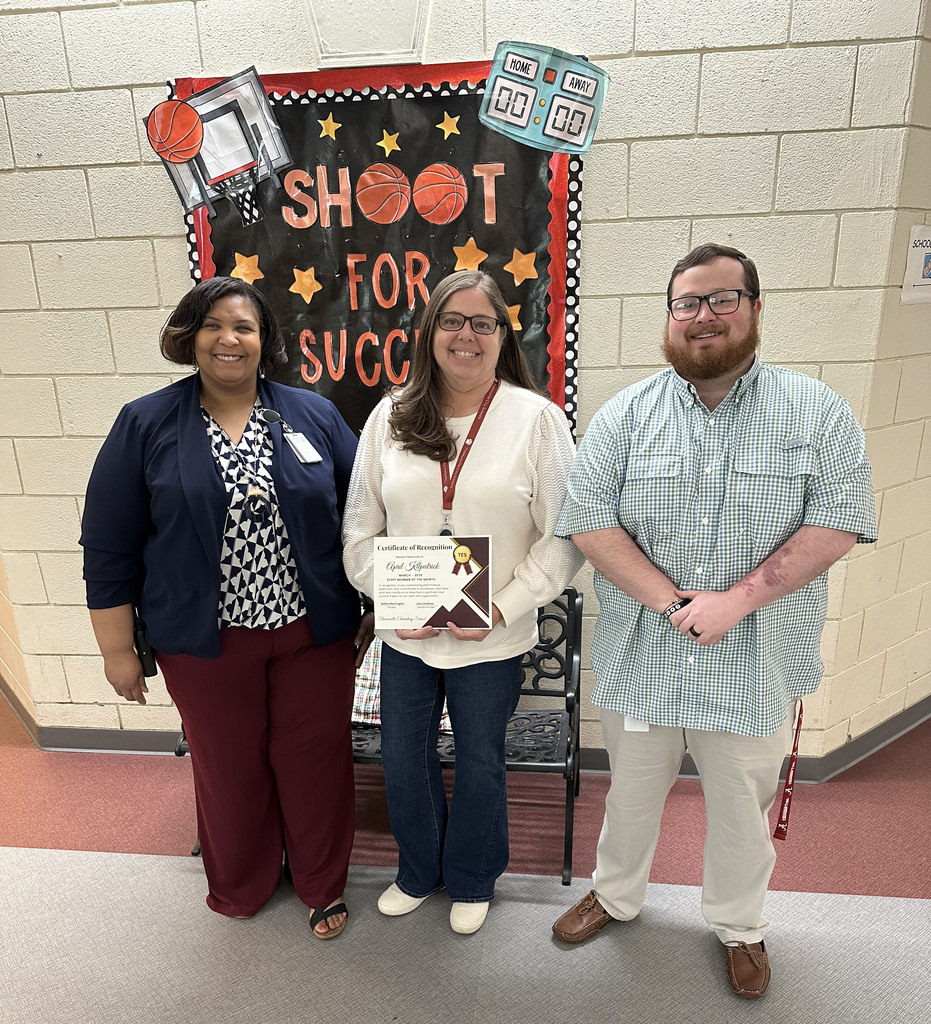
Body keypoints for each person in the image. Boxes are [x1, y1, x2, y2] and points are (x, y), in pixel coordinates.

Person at [551, 244, 876, 997]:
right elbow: (589, 522)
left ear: (755, 309)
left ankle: (739, 924)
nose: (703, 316)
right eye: (686, 303)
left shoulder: (816, 411)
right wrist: (674, 603)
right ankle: (615, 893)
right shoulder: (625, 415)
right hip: (644, 655)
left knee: (740, 808)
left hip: (755, 657)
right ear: (669, 316)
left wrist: (735, 602)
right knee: (629, 796)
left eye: (722, 299)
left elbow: (838, 522)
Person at [80, 277, 373, 938]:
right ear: (190, 338)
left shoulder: (312, 414)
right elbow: (107, 545)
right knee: (228, 768)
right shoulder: (145, 423)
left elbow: (365, 514)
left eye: (243, 326)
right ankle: (241, 884)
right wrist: (116, 649)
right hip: (204, 643)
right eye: (212, 325)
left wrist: (379, 601)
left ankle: (321, 884)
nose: (228, 339)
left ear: (265, 339)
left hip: (312, 634)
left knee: (316, 761)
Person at [342, 269, 584, 934]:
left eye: (482, 323)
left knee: (480, 761)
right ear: (429, 333)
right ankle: (419, 871)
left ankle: (474, 877)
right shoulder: (389, 417)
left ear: (503, 335)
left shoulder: (536, 421)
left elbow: (565, 538)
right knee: (403, 757)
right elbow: (358, 534)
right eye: (452, 321)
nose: (466, 335)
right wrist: (395, 597)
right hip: (407, 636)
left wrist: (501, 607)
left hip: (492, 636)